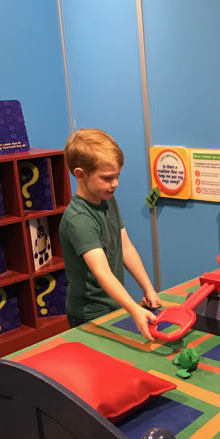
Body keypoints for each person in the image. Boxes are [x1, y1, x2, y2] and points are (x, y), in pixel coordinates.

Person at [59, 128, 161, 339]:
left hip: (113, 305)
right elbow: (102, 273)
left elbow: (126, 248)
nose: (115, 184)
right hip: (89, 314)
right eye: (107, 178)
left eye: (117, 176)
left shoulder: (108, 200)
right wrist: (134, 309)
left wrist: (148, 288)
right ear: (80, 175)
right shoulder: (79, 219)